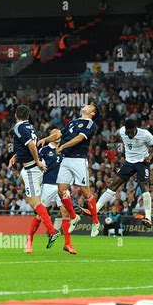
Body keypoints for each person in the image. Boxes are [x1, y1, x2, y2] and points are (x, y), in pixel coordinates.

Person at [79, 118, 153, 226]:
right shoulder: (121, 131)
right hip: (128, 162)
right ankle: (94, 210)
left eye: (131, 132)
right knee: (114, 184)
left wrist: (150, 157)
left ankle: (148, 217)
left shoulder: (145, 134)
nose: (129, 134)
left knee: (144, 185)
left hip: (142, 162)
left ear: (135, 129)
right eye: (127, 132)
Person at [37, 102, 99, 237]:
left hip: (79, 159)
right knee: (61, 191)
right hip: (66, 159)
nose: (86, 105)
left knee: (86, 192)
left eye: (89, 106)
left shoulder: (90, 124)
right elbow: (59, 134)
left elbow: (79, 138)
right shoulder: (73, 122)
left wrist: (63, 146)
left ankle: (95, 222)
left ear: (92, 113)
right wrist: (46, 139)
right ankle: (73, 216)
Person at [9, 105, 60, 249]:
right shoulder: (30, 127)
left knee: (35, 203)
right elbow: (27, 146)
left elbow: (31, 145)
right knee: (30, 194)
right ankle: (41, 235)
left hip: (32, 168)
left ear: (16, 114)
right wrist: (16, 156)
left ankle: (51, 231)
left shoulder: (18, 127)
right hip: (28, 167)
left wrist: (37, 161)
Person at [25, 129, 77, 254]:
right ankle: (30, 240)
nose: (59, 135)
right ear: (51, 136)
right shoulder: (44, 149)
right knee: (40, 214)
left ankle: (68, 244)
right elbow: (36, 163)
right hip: (48, 185)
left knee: (66, 213)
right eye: (56, 133)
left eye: (59, 133)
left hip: (62, 186)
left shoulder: (65, 149)